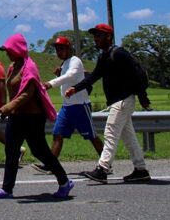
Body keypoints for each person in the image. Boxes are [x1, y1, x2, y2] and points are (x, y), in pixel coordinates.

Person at [0, 33, 73, 199]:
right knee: (11, 150)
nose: (7, 53)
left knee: (40, 152)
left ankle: (64, 182)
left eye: (9, 50)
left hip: (33, 117)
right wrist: (9, 109)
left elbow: (27, 94)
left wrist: (7, 107)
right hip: (17, 116)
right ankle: (7, 189)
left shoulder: (29, 67)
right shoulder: (13, 67)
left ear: (18, 49)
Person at [65, 23, 151, 184]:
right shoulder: (104, 57)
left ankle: (102, 169)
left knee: (110, 132)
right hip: (117, 101)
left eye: (99, 36)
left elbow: (136, 77)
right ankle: (141, 170)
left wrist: (143, 98)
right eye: (95, 36)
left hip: (124, 100)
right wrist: (75, 88)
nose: (96, 39)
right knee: (128, 136)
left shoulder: (120, 54)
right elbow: (93, 77)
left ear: (109, 37)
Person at [31, 37, 103, 174]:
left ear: (69, 49)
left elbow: (71, 75)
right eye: (57, 49)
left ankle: (106, 163)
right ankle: (50, 164)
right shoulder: (65, 64)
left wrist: (51, 83)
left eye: (61, 49)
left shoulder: (75, 61)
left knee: (92, 136)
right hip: (67, 106)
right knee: (58, 134)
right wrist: (60, 72)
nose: (59, 52)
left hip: (80, 106)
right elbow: (67, 77)